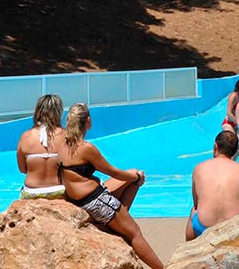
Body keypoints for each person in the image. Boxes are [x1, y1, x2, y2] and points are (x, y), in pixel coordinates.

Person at [58, 104, 162, 268]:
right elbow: (112, 171)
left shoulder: (63, 144)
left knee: (131, 176)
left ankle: (119, 221)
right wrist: (137, 177)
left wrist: (133, 177)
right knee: (135, 233)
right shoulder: (86, 148)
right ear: (89, 121)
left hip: (80, 199)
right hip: (94, 201)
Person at [186, 130, 239, 242]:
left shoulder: (199, 168)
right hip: (233, 228)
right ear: (235, 151)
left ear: (215, 146)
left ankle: (189, 248)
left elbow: (196, 203)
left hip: (204, 227)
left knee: (193, 211)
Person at [17, 94, 65, 199]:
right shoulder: (66, 136)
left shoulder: (26, 137)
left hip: (32, 192)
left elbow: (22, 169)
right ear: (59, 113)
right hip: (59, 190)